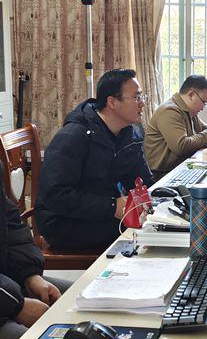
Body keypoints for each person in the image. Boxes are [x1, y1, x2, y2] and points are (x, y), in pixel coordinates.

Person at [35, 69, 153, 250]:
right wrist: (113, 206)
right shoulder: (74, 136)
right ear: (112, 102)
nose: (142, 103)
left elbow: (142, 180)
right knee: (141, 235)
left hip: (100, 212)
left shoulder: (129, 133)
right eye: (137, 97)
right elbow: (55, 195)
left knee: (154, 226)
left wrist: (158, 197)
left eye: (142, 96)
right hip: (64, 222)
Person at [1, 161, 70, 339]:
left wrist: (29, 275)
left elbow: (10, 224)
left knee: (80, 298)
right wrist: (17, 306)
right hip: (7, 297)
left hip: (7, 288)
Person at [144, 75, 207, 178]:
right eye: (204, 102)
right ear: (191, 95)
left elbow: (203, 129)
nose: (203, 107)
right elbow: (181, 146)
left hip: (180, 168)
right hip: (162, 174)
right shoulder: (170, 111)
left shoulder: (188, 110)